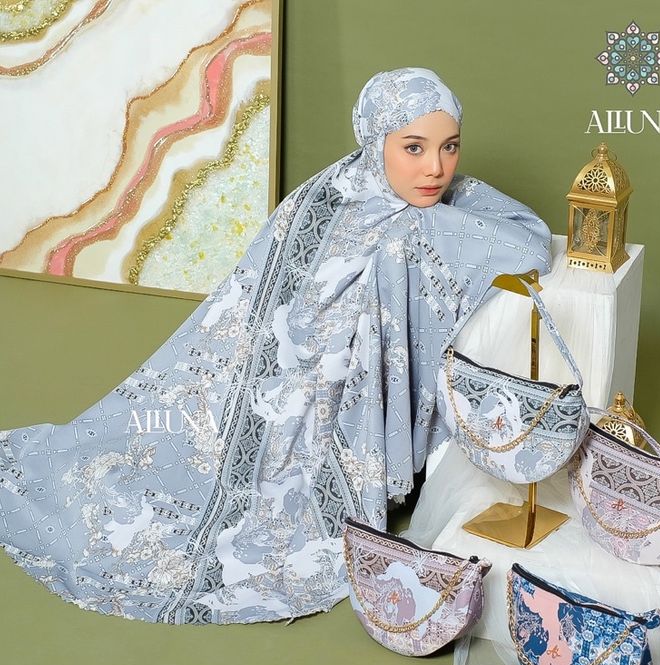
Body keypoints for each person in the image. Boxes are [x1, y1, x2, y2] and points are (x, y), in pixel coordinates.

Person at [0, 67, 551, 624]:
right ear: (374, 141)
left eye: (449, 147)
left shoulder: (425, 209)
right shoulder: (331, 198)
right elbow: (270, 315)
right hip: (265, 393)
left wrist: (432, 229)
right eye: (414, 148)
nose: (435, 168)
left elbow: (528, 242)